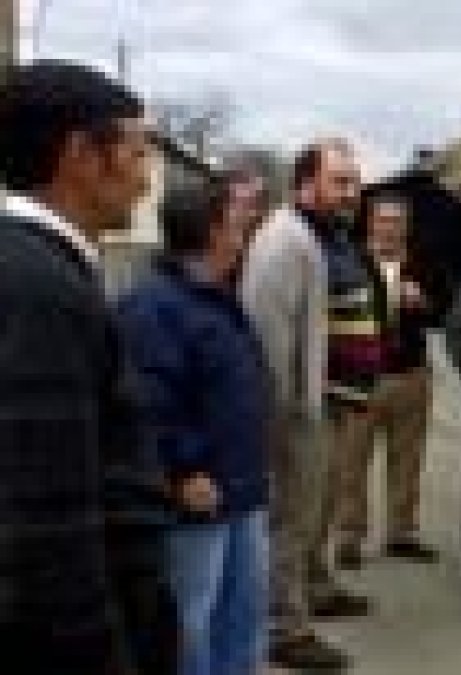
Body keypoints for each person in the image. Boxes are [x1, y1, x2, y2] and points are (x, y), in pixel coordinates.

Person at [0, 61, 177, 675]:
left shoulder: (40, 268)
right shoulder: (38, 287)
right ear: (81, 153)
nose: (147, 176)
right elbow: (45, 527)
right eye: (136, 150)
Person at [119, 176, 272, 675]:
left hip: (242, 490)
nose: (246, 228)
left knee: (241, 617)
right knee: (190, 622)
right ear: (212, 232)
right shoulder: (155, 306)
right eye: (237, 219)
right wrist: (184, 470)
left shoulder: (217, 295)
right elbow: (147, 400)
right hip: (197, 498)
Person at [241, 139, 367, 671]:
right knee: (290, 518)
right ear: (304, 183)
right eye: (340, 181)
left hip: (326, 403)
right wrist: (287, 419)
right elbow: (269, 338)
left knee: (313, 512)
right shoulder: (284, 241)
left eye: (354, 181)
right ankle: (284, 629)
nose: (351, 192)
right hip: (295, 415)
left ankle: (312, 588)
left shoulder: (325, 234)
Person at [335, 190, 439, 568]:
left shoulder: (422, 262)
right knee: (352, 460)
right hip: (363, 374)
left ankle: (400, 533)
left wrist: (425, 302)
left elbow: (444, 309)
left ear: (406, 227)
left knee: (407, 460)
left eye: (398, 222)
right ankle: (349, 536)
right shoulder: (350, 260)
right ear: (371, 222)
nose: (390, 228)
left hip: (412, 373)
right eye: (383, 220)